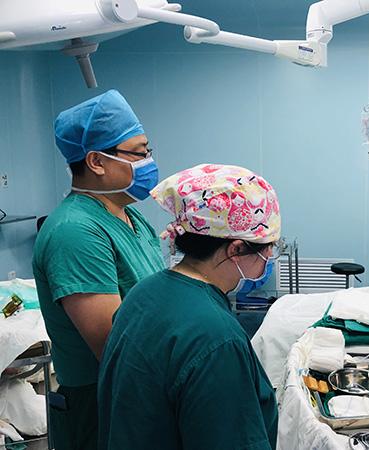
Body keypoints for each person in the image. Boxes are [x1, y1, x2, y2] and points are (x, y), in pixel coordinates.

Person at [98, 163, 280, 450]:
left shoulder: (143, 293)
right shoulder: (218, 338)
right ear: (235, 249)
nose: (270, 256)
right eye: (269, 246)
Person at [32, 90, 165, 450]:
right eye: (139, 153)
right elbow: (114, 348)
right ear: (97, 161)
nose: (149, 162)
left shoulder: (130, 215)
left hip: (145, 386)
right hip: (106, 399)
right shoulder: (74, 232)